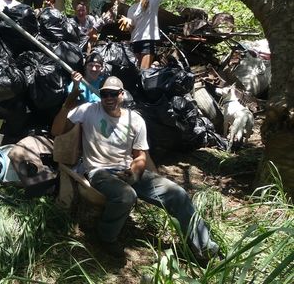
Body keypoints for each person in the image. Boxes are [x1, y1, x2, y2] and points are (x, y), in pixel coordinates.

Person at [51, 76, 220, 260]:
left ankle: (205, 248)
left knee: (177, 194)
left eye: (114, 94)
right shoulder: (89, 110)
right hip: (99, 171)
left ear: (122, 95)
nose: (109, 98)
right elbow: (57, 130)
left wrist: (134, 172)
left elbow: (140, 156)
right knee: (125, 195)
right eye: (105, 94)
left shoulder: (135, 120)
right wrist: (68, 102)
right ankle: (106, 237)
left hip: (127, 170)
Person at [120, 0, 179, 69]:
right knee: (136, 70)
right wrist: (127, 25)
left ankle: (155, 65)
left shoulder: (151, 0)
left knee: (144, 70)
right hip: (135, 41)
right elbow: (132, 28)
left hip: (147, 40)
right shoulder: (131, 9)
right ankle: (154, 66)